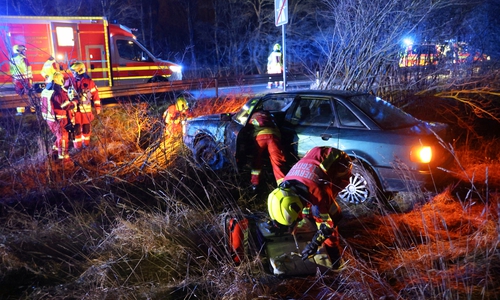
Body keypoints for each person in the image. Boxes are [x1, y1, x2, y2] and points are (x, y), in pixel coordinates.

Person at [267, 146, 352, 269]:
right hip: (316, 156)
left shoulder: (319, 193)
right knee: (311, 210)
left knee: (322, 214)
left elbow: (332, 220)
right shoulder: (286, 185)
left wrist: (315, 243)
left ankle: (334, 256)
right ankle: (313, 222)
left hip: (340, 164)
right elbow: (300, 201)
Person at [40, 72, 77, 165]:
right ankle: (64, 160)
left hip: (50, 119)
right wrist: (75, 102)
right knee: (63, 137)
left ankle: (54, 153)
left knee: (59, 136)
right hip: (58, 120)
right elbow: (65, 105)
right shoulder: (57, 92)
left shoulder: (46, 90)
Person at [247, 109, 287, 189]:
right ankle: (283, 185)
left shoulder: (252, 116)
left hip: (260, 138)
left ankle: (255, 184)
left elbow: (245, 125)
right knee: (277, 161)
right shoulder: (270, 116)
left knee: (256, 161)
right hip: (273, 137)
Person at [67, 61, 101, 150]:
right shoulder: (70, 81)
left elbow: (95, 95)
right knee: (76, 130)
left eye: (74, 71)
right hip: (75, 112)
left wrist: (97, 107)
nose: (73, 73)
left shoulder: (89, 82)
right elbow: (64, 94)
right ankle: (77, 148)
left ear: (80, 71)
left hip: (86, 112)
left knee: (86, 129)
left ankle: (86, 145)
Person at [9, 44, 33, 115]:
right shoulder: (23, 58)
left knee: (19, 94)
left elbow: (11, 70)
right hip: (25, 79)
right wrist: (30, 78)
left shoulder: (12, 59)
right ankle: (32, 109)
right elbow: (28, 68)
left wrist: (14, 78)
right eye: (22, 50)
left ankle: (20, 111)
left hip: (17, 80)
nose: (24, 51)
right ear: (18, 50)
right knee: (28, 93)